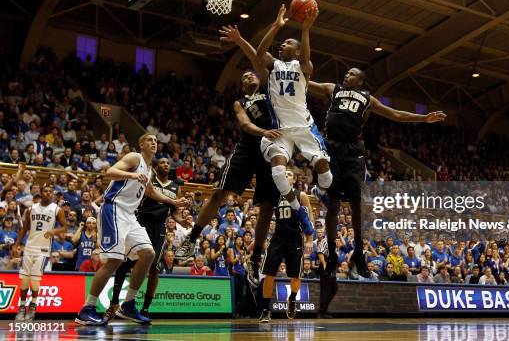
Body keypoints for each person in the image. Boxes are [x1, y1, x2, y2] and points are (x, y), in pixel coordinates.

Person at [307, 68, 446, 281]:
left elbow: (396, 114)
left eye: (351, 74)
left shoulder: (367, 99)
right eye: (346, 73)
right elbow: (304, 83)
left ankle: (360, 254)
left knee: (356, 204)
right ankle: (333, 255)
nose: (346, 75)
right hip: (331, 148)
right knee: (333, 204)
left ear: (360, 81)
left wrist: (424, 118)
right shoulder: (331, 88)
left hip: (353, 151)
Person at [175, 25, 281, 289]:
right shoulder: (240, 102)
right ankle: (193, 238)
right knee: (219, 193)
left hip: (271, 151)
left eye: (250, 74)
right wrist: (263, 131)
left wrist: (239, 39)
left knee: (267, 207)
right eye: (243, 77)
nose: (248, 76)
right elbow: (245, 125)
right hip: (248, 148)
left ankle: (256, 258)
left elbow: (258, 57)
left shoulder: (268, 90)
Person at [75, 134, 188, 326]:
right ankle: (87, 308)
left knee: (148, 254)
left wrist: (173, 201)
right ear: (141, 144)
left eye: (155, 140)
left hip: (129, 215)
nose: (154, 142)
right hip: (114, 209)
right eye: (149, 140)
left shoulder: (149, 168)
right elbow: (110, 172)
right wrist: (132, 175)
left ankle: (128, 305)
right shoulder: (135, 158)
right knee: (115, 260)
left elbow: (151, 192)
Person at [256, 5, 334, 227]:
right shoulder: (274, 65)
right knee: (278, 171)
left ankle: (320, 190)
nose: (283, 44)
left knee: (326, 175)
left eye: (288, 43)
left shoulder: (304, 67)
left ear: (298, 51)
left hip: (304, 127)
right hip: (281, 129)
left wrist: (306, 30)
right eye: (283, 42)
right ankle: (298, 209)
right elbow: (260, 53)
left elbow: (307, 58)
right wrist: (276, 25)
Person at [106, 157, 183, 321]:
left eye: (168, 163)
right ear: (156, 166)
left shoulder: (176, 187)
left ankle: (145, 308)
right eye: (162, 162)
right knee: (125, 262)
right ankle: (113, 304)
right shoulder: (149, 179)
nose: (166, 164)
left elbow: (174, 211)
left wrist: (182, 220)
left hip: (160, 227)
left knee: (154, 268)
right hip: (141, 221)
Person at [259, 170, 314, 323]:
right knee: (269, 274)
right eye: (284, 173)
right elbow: (265, 215)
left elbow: (309, 218)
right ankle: (265, 310)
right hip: (278, 237)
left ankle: (292, 299)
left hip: (295, 238)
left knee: (296, 275)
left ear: (294, 179)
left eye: (289, 174)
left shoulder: (301, 195)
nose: (286, 175)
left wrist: (309, 239)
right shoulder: (275, 194)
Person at [15, 184, 66, 320]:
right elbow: (24, 228)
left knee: (34, 279)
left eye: (51, 191)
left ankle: (33, 305)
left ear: (53, 194)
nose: (48, 193)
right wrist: (16, 244)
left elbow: (65, 227)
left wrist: (54, 231)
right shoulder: (31, 209)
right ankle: (21, 307)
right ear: (41, 193)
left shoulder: (57, 209)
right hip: (29, 247)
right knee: (25, 279)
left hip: (43, 250)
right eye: (46, 191)